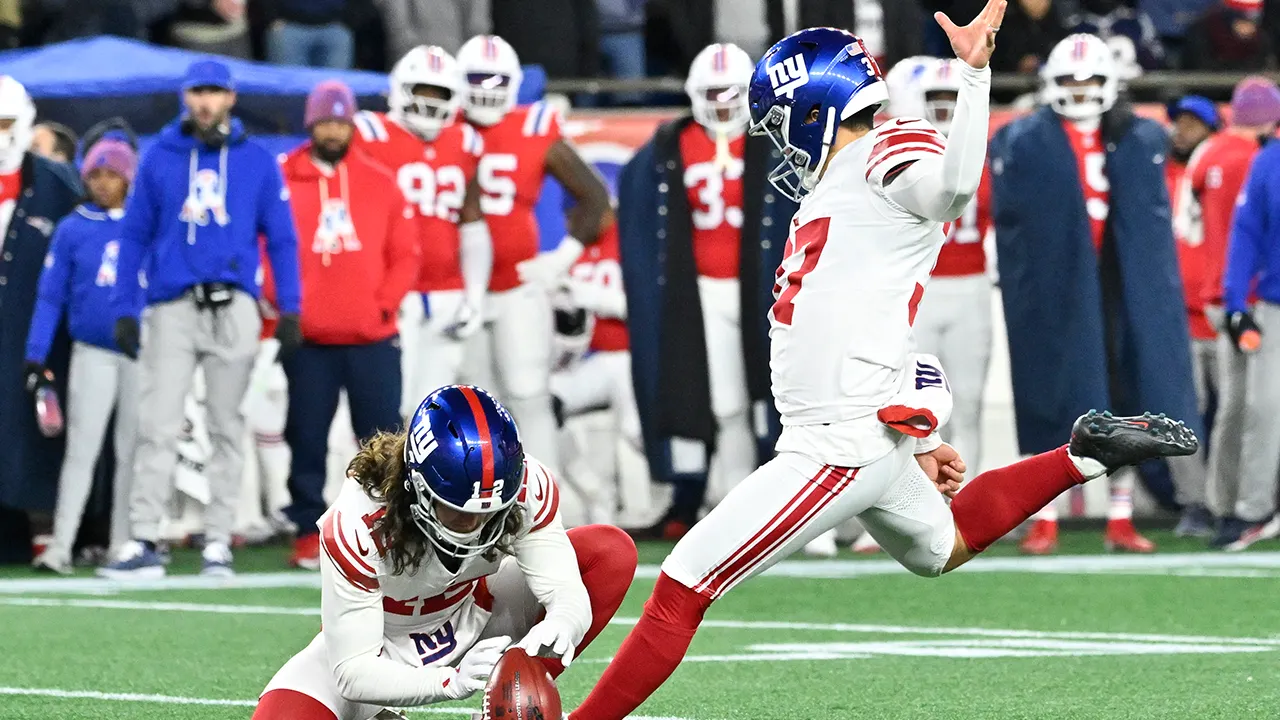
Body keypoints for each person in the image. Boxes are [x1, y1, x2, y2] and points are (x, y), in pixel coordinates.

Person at [564, 13, 1199, 720]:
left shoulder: (886, 150)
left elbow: (951, 190)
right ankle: (1082, 456)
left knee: (683, 581)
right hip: (867, 424)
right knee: (940, 547)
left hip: (835, 443)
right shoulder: (844, 177)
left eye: (780, 122)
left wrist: (975, 75)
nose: (777, 140)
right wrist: (918, 429)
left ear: (814, 112)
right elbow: (865, 308)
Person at [251, 385, 638, 720]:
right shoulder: (357, 520)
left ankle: (510, 701)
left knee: (609, 552)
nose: (475, 523)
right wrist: (449, 682)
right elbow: (352, 671)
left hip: (477, 614)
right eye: (457, 509)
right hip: (382, 643)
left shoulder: (520, 487)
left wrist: (562, 624)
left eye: (491, 509)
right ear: (416, 485)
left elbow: (565, 591)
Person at [989, 33, 1200, 555]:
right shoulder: (1025, 139)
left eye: (1089, 80)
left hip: (1120, 283)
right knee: (1048, 396)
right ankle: (1045, 518)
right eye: (1069, 81)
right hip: (1056, 288)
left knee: (1127, 397)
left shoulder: (1140, 136)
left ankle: (1121, 518)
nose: (1080, 91)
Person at [101, 60, 302, 578]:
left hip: (233, 304)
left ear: (231, 98)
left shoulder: (256, 161)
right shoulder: (160, 158)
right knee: (158, 424)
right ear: (185, 97)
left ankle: (218, 541)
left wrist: (292, 306)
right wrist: (125, 306)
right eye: (198, 92)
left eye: (215, 92)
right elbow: (133, 237)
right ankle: (143, 537)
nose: (206, 102)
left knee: (227, 425)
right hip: (172, 304)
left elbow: (280, 237)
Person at [618, 41, 793, 542]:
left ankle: (754, 499)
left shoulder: (775, 142)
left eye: (731, 93)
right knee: (717, 402)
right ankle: (715, 501)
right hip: (701, 293)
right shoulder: (669, 145)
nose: (721, 103)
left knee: (763, 394)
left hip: (760, 289)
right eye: (711, 93)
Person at [279, 80, 422, 569]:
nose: (334, 130)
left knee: (382, 438)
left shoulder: (381, 179)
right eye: (325, 121)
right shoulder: (285, 177)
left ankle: (385, 527)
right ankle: (304, 527)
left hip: (372, 336)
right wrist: (282, 305)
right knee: (305, 434)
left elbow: (406, 254)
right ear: (310, 124)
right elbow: (266, 245)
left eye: (341, 122)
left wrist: (383, 305)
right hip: (309, 336)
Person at [455, 34, 612, 471]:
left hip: (516, 287)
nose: (485, 88)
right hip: (457, 288)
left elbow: (596, 196)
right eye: (476, 79)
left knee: (529, 396)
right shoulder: (442, 125)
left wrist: (561, 259)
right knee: (471, 404)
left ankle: (546, 506)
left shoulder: (533, 125)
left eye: (495, 79)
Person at [349, 45, 492, 420]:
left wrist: (474, 293)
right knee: (386, 407)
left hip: (446, 291)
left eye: (439, 94)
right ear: (399, 89)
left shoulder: (463, 141)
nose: (428, 103)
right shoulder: (369, 133)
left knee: (433, 412)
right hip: (393, 292)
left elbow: (472, 222)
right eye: (421, 91)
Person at [25, 139, 139, 575]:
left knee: (134, 450)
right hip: (92, 350)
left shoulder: (144, 224)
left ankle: (124, 544)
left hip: (140, 352)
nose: (103, 183)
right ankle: (62, 545)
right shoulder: (73, 227)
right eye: (95, 175)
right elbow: (50, 295)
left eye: (112, 175)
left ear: (128, 178)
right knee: (81, 450)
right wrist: (36, 352)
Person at [0, 76, 82, 558]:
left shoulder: (56, 185)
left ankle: (41, 529)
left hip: (34, 327)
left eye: (6, 123)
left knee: (28, 430)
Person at [1217, 78, 1280, 550]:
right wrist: (1236, 303)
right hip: (1275, 305)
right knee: (1264, 409)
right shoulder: (1267, 162)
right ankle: (1252, 510)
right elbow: (1245, 235)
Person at [1166, 93, 1222, 539]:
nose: (1182, 131)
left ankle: (1238, 503)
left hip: (1225, 314)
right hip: (1178, 317)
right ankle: (1196, 502)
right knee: (1183, 415)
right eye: (1178, 122)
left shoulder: (1229, 170)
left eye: (1193, 123)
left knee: (1246, 414)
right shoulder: (1162, 176)